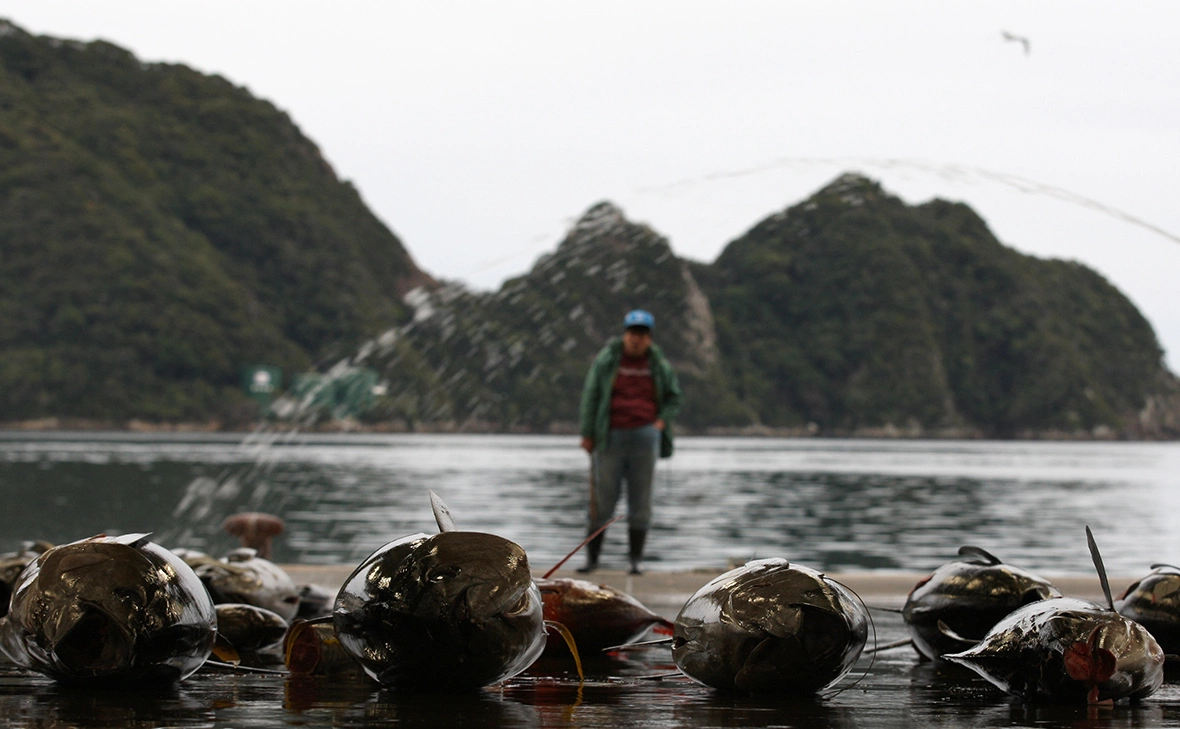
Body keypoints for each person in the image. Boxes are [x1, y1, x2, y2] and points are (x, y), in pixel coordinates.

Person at [577, 309, 682, 575]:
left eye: (643, 334)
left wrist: (659, 423)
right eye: (633, 333)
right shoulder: (607, 360)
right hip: (609, 435)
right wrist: (587, 433)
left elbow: (674, 397)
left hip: (645, 435)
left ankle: (636, 560)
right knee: (602, 500)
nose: (637, 339)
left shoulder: (658, 364)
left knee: (641, 500)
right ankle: (592, 559)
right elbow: (591, 395)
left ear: (649, 338)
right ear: (625, 334)